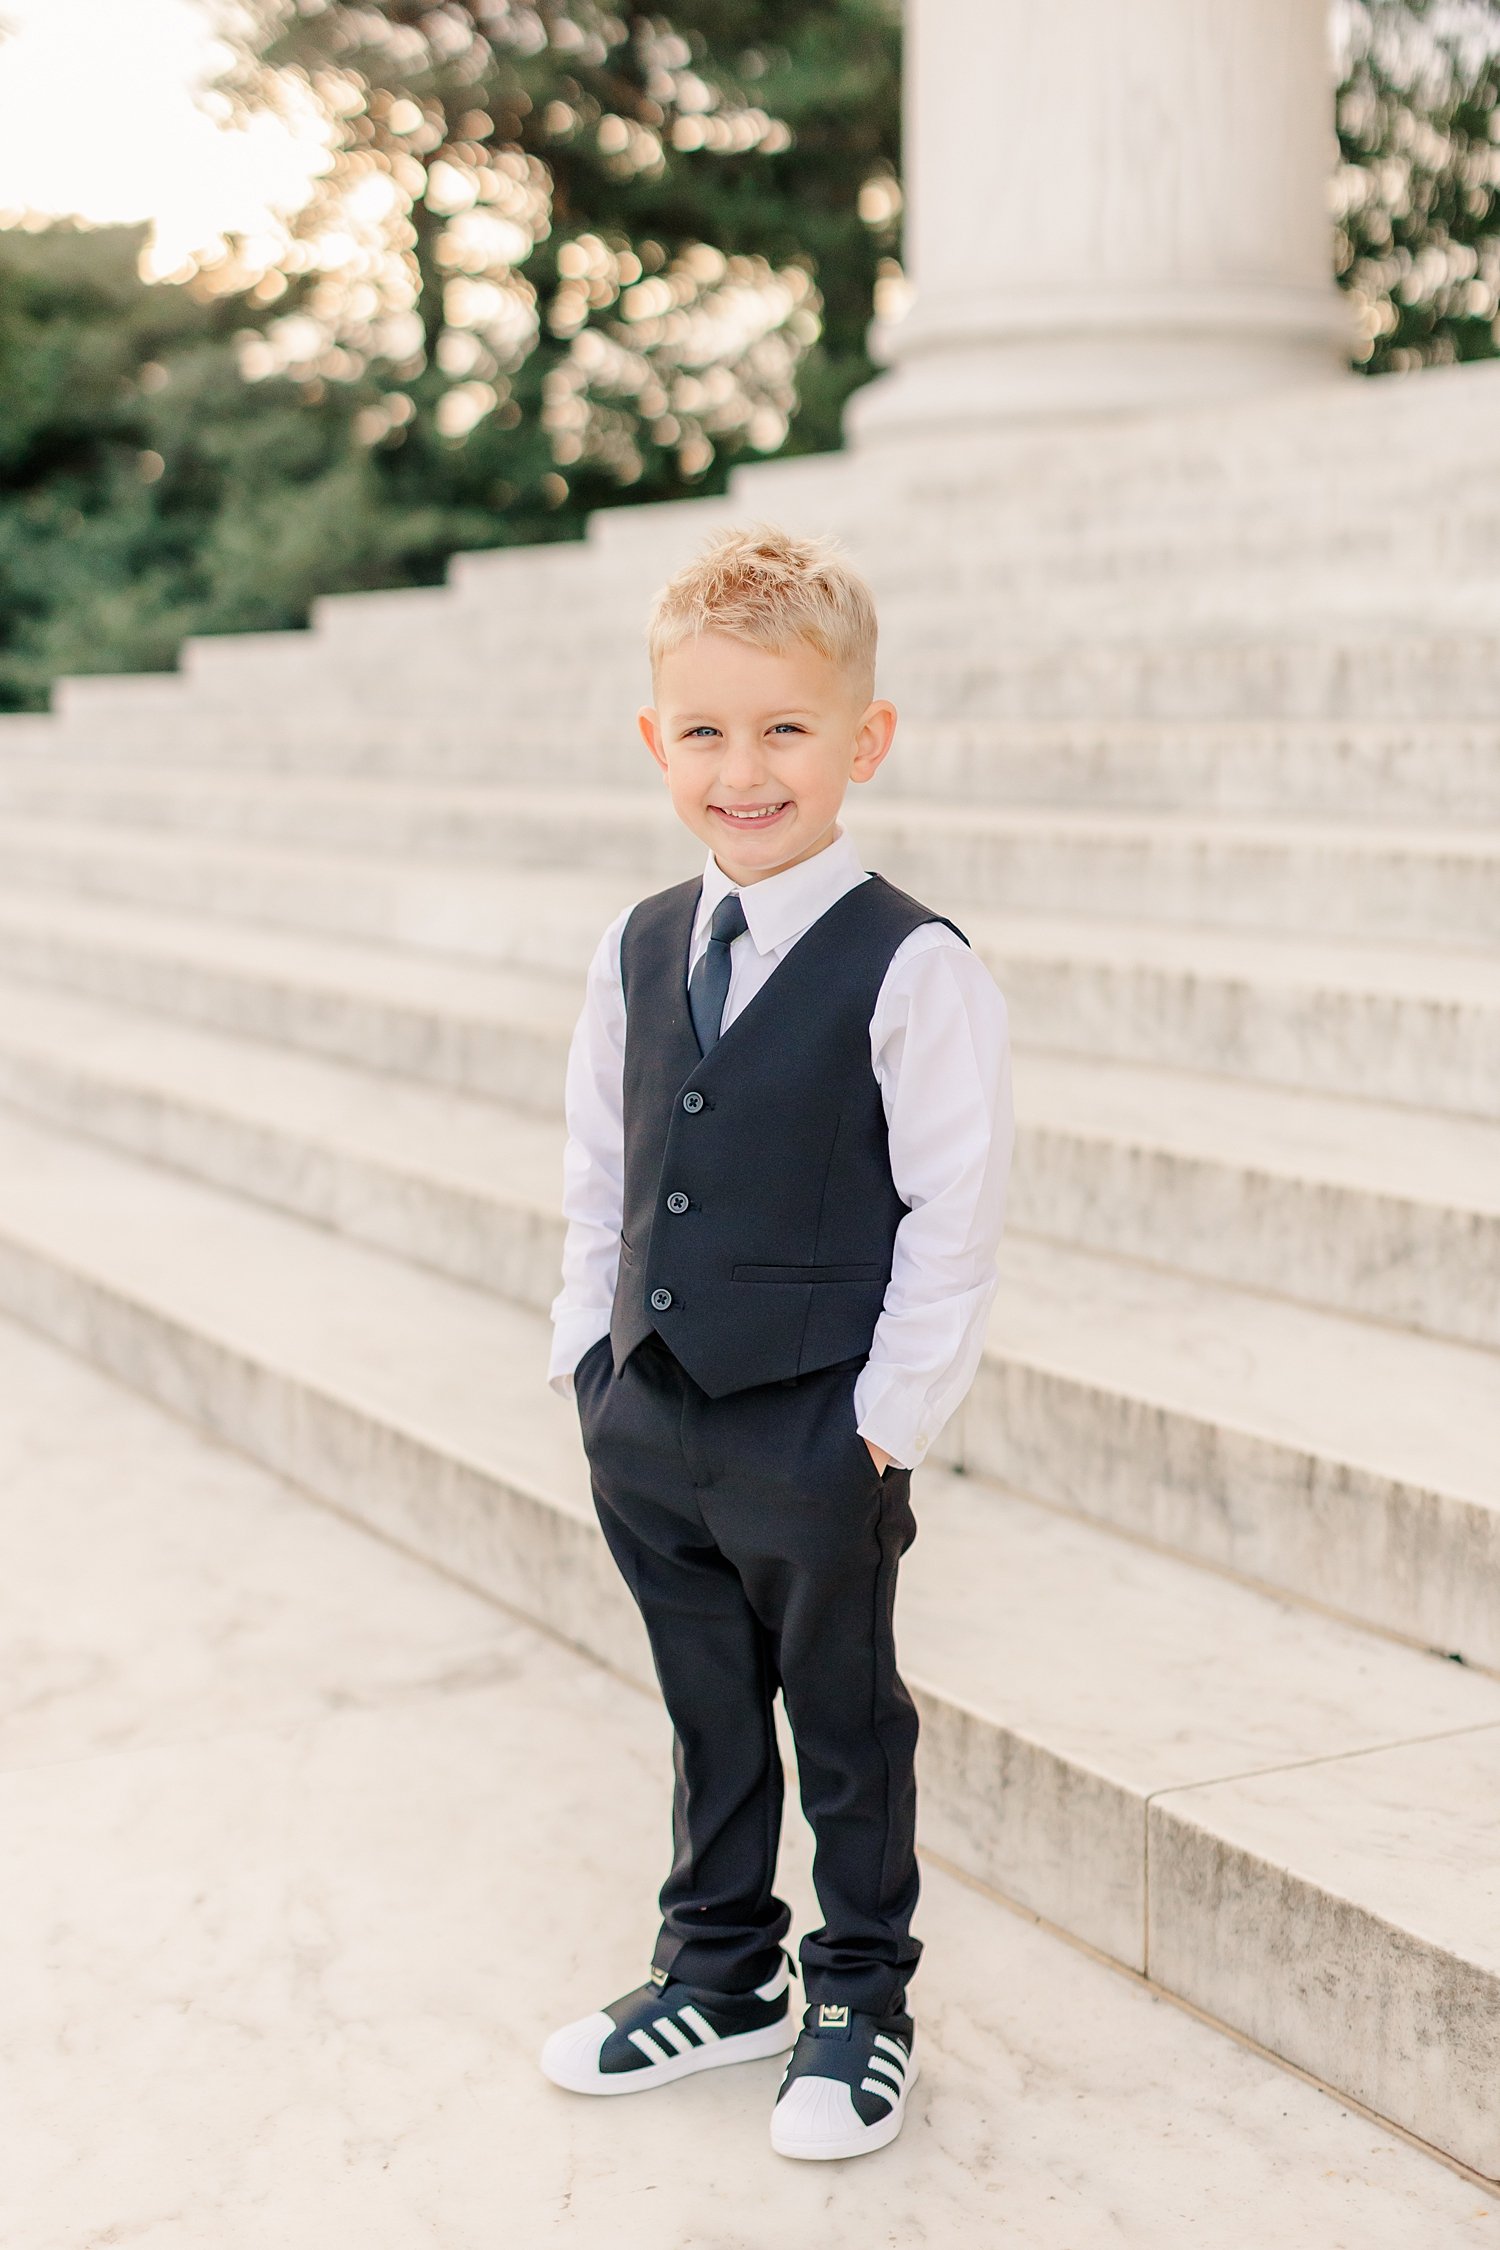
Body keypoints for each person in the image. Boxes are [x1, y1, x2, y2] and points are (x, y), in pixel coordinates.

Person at [540, 521, 1014, 2162]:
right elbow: (603, 1159)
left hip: (816, 1425)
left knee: (843, 1715)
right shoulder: (638, 938)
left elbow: (955, 1210)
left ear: (863, 740)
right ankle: (721, 1966)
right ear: (656, 739)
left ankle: (861, 1995)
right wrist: (584, 1359)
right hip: (650, 1413)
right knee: (706, 1705)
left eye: (787, 729)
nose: (745, 769)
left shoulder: (913, 963)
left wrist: (885, 1421)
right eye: (708, 731)